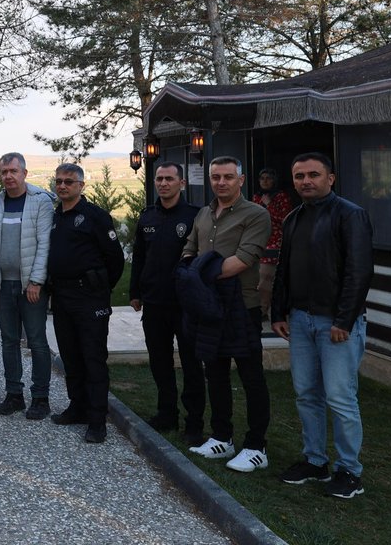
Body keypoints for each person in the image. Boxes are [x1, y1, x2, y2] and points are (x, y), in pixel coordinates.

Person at [272, 153, 373, 499]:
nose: (306, 181)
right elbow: (284, 269)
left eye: (313, 174)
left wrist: (344, 320)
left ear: (330, 178)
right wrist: (278, 313)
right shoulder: (293, 219)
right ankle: (315, 461)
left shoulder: (350, 215)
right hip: (300, 320)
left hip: (336, 323)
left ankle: (350, 471)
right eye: (299, 176)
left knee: (340, 397)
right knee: (306, 394)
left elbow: (358, 272)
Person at [182, 155, 272, 473]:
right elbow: (189, 251)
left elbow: (242, 261)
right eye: (216, 177)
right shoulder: (204, 213)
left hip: (242, 308)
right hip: (210, 307)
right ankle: (222, 436)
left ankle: (256, 446)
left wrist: (197, 273)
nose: (221, 182)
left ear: (241, 180)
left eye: (228, 177)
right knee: (215, 374)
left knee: (251, 378)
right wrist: (196, 269)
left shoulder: (256, 215)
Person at [46, 163, 125, 444]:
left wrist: (100, 288)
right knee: (70, 356)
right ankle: (76, 407)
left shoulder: (95, 217)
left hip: (89, 297)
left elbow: (115, 259)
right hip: (63, 297)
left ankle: (96, 420)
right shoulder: (56, 216)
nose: (63, 186)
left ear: (81, 185)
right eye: (58, 181)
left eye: (69, 181)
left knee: (93, 358)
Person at [129, 161, 204, 444]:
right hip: (154, 302)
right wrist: (135, 291)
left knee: (191, 363)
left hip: (184, 304)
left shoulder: (195, 216)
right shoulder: (147, 217)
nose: (163, 183)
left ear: (181, 183)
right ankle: (166, 413)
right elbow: (139, 257)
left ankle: (194, 422)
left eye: (169, 179)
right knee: (159, 361)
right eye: (159, 179)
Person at [0, 153, 54, 420]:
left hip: (30, 287)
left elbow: (45, 244)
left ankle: (41, 397)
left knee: (36, 341)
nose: (8, 176)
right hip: (2, 286)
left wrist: (36, 281)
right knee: (9, 340)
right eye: (4, 172)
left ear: (24, 172)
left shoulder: (40, 202)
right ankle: (14, 394)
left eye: (13, 171)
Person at [252, 168, 292, 327]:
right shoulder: (257, 196)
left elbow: (286, 219)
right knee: (260, 280)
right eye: (262, 178)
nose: (265, 181)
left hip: (277, 244)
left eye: (269, 178)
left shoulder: (282, 197)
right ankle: (262, 311)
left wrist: (268, 207)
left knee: (268, 280)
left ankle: (265, 311)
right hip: (260, 243)